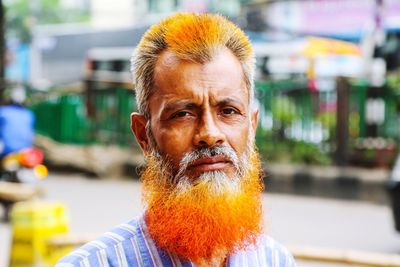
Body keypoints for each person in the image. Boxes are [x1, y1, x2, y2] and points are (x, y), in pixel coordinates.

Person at [56, 13, 296, 267]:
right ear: (143, 135)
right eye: (182, 114)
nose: (210, 134)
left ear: (252, 125)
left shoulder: (274, 260)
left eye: (228, 111)